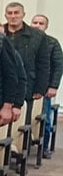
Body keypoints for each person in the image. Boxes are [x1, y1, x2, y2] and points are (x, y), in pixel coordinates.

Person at [4, 2, 50, 106]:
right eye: (10, 13)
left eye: (16, 13)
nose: (13, 16)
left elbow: (43, 63)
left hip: (29, 86)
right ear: (5, 16)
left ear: (23, 15)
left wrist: (40, 88)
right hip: (4, 87)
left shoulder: (38, 36)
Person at [30, 14, 61, 159]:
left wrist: (53, 86)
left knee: (44, 119)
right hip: (27, 86)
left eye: (41, 23)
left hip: (44, 88)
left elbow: (58, 66)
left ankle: (44, 148)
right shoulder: (27, 40)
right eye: (35, 22)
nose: (37, 25)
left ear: (46, 26)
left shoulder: (52, 43)